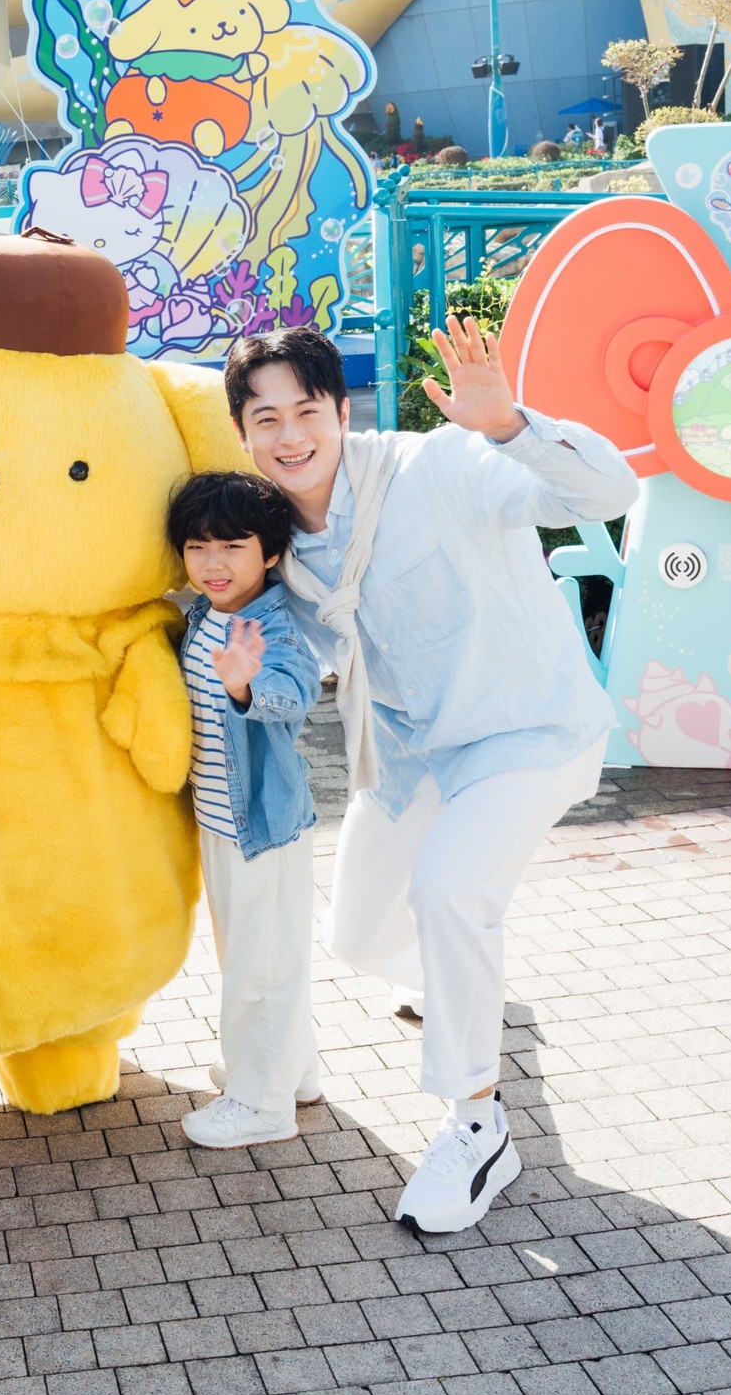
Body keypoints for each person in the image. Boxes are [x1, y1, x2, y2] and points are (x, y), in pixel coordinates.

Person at [224, 321, 637, 1235]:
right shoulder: (276, 538)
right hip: (407, 752)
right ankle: (463, 991)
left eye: (306, 411)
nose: (290, 436)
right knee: (359, 934)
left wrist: (510, 427)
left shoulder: (437, 466)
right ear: (243, 434)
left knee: (450, 892)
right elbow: (293, 648)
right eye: (266, 419)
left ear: (342, 411)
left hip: (522, 730)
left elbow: (610, 491)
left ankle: (479, 1126)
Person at [166, 469, 322, 1152]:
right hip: (220, 822)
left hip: (263, 827)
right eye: (198, 547)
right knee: (255, 958)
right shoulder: (204, 615)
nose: (214, 562)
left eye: (233, 546)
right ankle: (291, 1073)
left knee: (261, 971)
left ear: (270, 552)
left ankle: (261, 1105)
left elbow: (296, 692)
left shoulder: (272, 625)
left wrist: (246, 687)